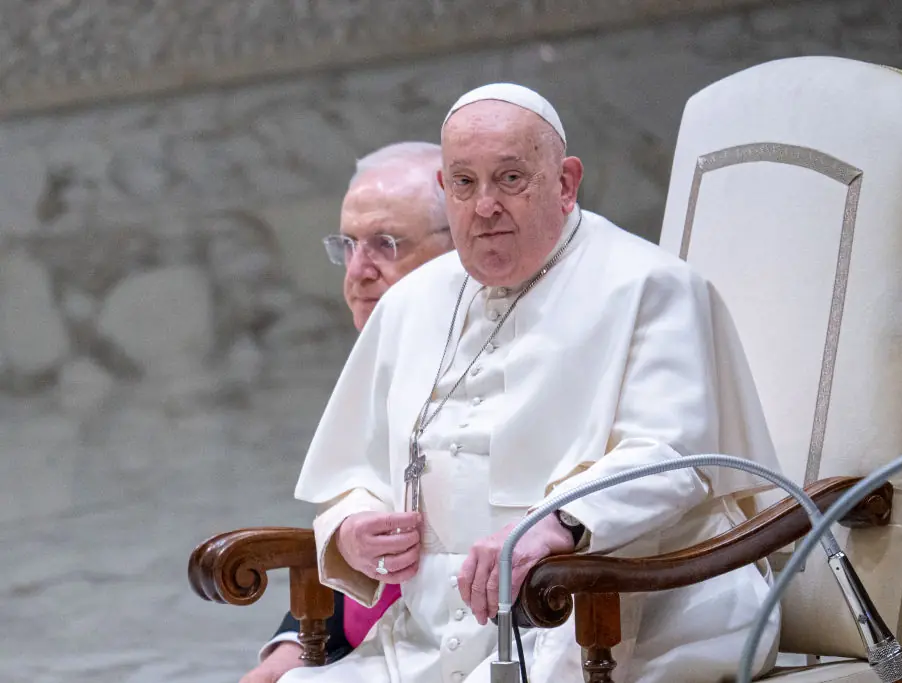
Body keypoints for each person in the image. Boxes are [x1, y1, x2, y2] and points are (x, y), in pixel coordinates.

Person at [284, 84, 782, 683]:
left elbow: (676, 457)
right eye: (464, 183)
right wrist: (352, 528)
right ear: (445, 190)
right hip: (429, 642)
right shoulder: (409, 303)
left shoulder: (650, 287)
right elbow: (352, 471)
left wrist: (556, 522)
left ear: (566, 182)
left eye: (511, 178)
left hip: (622, 620)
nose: (485, 205)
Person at [242, 141, 455, 683]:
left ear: (461, 245)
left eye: (386, 244)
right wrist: (291, 645)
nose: (358, 272)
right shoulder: (378, 360)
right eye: (348, 245)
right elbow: (359, 520)